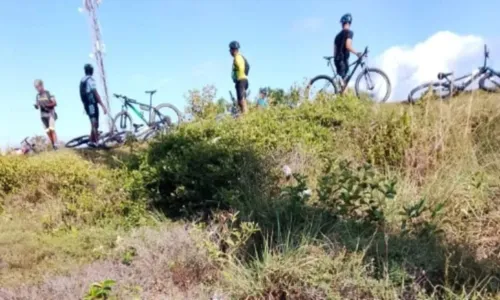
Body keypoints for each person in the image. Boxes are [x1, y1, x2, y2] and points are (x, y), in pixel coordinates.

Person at [79, 63, 107, 148]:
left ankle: (91, 140)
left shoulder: (82, 80)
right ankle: (97, 142)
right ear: (92, 71)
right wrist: (102, 105)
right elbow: (95, 93)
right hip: (92, 104)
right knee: (94, 122)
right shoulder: (90, 80)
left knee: (93, 122)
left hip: (86, 104)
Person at [334, 13, 362, 92]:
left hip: (338, 60)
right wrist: (357, 53)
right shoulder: (349, 33)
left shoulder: (337, 36)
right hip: (343, 60)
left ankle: (343, 97)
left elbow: (334, 50)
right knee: (344, 82)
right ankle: (343, 100)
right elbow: (348, 46)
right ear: (350, 23)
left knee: (345, 81)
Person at [34, 79, 58, 150]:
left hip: (50, 114)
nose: (37, 89)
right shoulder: (37, 96)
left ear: (41, 86)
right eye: (36, 88)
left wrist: (47, 105)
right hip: (43, 115)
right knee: (47, 131)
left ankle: (56, 145)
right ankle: (53, 145)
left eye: (38, 87)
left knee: (52, 129)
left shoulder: (48, 93)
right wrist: (36, 106)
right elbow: (38, 105)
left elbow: (55, 103)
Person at [229, 41, 250, 114]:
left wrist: (238, 77)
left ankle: (245, 115)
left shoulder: (237, 57)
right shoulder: (240, 57)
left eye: (230, 50)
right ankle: (243, 114)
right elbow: (247, 67)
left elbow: (241, 67)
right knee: (240, 100)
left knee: (241, 100)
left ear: (233, 50)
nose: (229, 52)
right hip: (243, 80)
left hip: (241, 80)